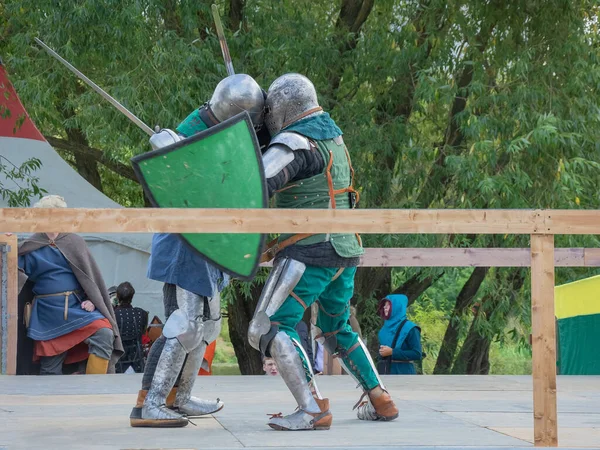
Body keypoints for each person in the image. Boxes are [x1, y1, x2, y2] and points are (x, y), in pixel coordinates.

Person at [247, 73, 398, 431]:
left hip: (309, 249)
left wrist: (242, 151)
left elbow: (256, 185)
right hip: (344, 249)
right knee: (334, 327)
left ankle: (312, 408)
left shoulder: (294, 141)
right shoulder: (333, 137)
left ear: (281, 107)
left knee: (267, 327)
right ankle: (380, 397)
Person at [129, 73, 267, 428]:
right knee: (184, 326)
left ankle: (183, 396)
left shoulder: (220, 141)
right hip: (183, 246)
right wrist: (169, 151)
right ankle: (152, 401)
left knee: (205, 329)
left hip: (208, 248)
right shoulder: (183, 139)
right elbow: (173, 185)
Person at [17, 195, 123, 375]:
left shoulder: (74, 242)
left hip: (75, 308)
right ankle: (49, 402)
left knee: (104, 332)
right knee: (50, 370)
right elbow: (11, 273)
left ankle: (93, 387)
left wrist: (91, 299)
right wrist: (7, 247)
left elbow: (90, 277)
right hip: (47, 314)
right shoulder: (30, 245)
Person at [377, 294, 422, 375]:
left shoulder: (411, 329)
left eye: (388, 305)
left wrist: (393, 352)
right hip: (384, 373)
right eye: (384, 305)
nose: (384, 307)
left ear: (397, 307)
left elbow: (417, 354)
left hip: (403, 374)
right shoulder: (384, 329)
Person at [114, 282, 148, 373]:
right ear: (132, 296)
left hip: (118, 362)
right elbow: (143, 332)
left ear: (117, 296)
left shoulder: (113, 314)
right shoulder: (142, 313)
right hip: (138, 362)